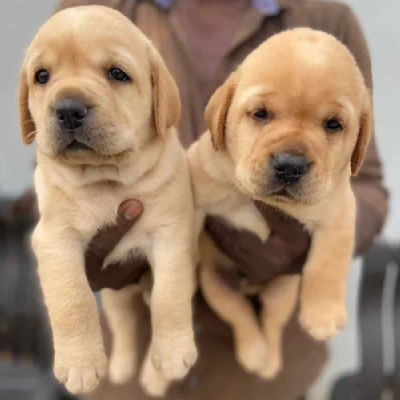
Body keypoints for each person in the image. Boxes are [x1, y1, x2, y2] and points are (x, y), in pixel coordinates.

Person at [18, 0, 388, 399]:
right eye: (261, 113)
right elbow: (56, 173)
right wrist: (86, 247)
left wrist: (306, 251)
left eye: (116, 73)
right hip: (123, 378)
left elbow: (364, 182)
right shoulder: (94, 7)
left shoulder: (326, 19)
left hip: (265, 380)